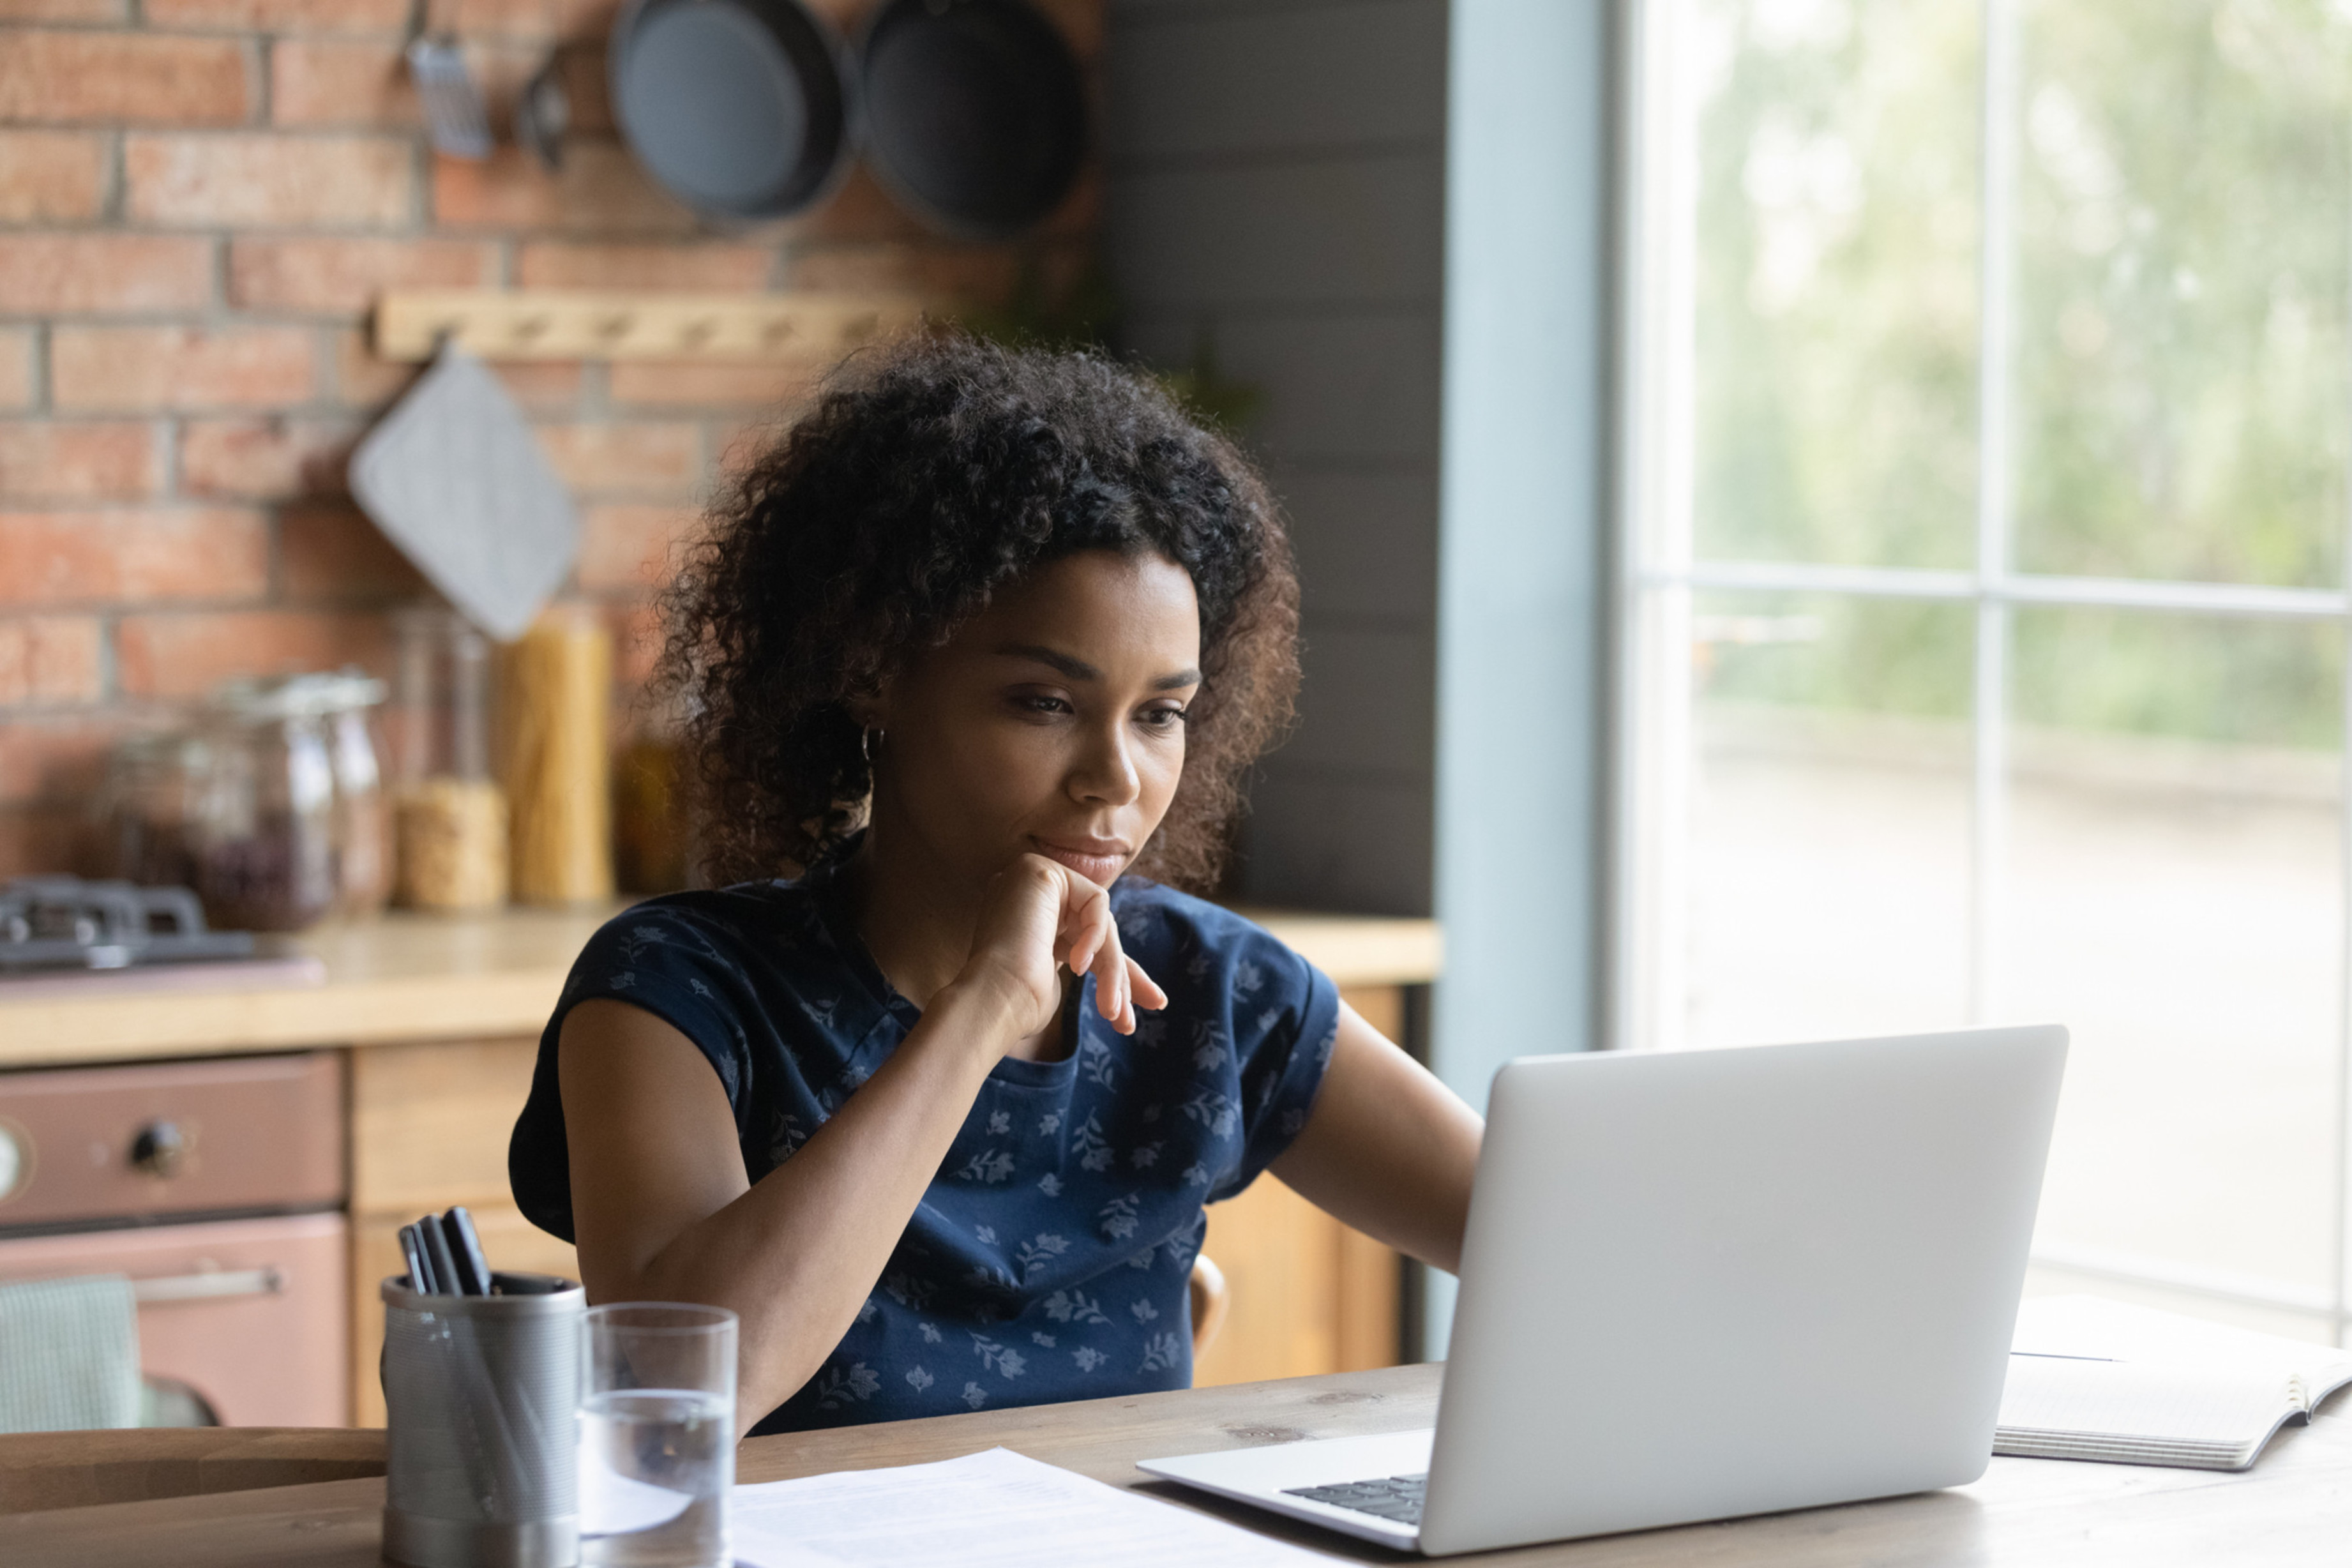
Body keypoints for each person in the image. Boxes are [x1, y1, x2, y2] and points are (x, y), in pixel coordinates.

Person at [510, 334, 1484, 1435]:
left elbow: (1566, 1249)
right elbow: (677, 1393)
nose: (1117, 776)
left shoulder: (1213, 993)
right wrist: (984, 1008)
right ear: (874, 672)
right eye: (1044, 703)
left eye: (1161, 713)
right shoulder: (676, 992)